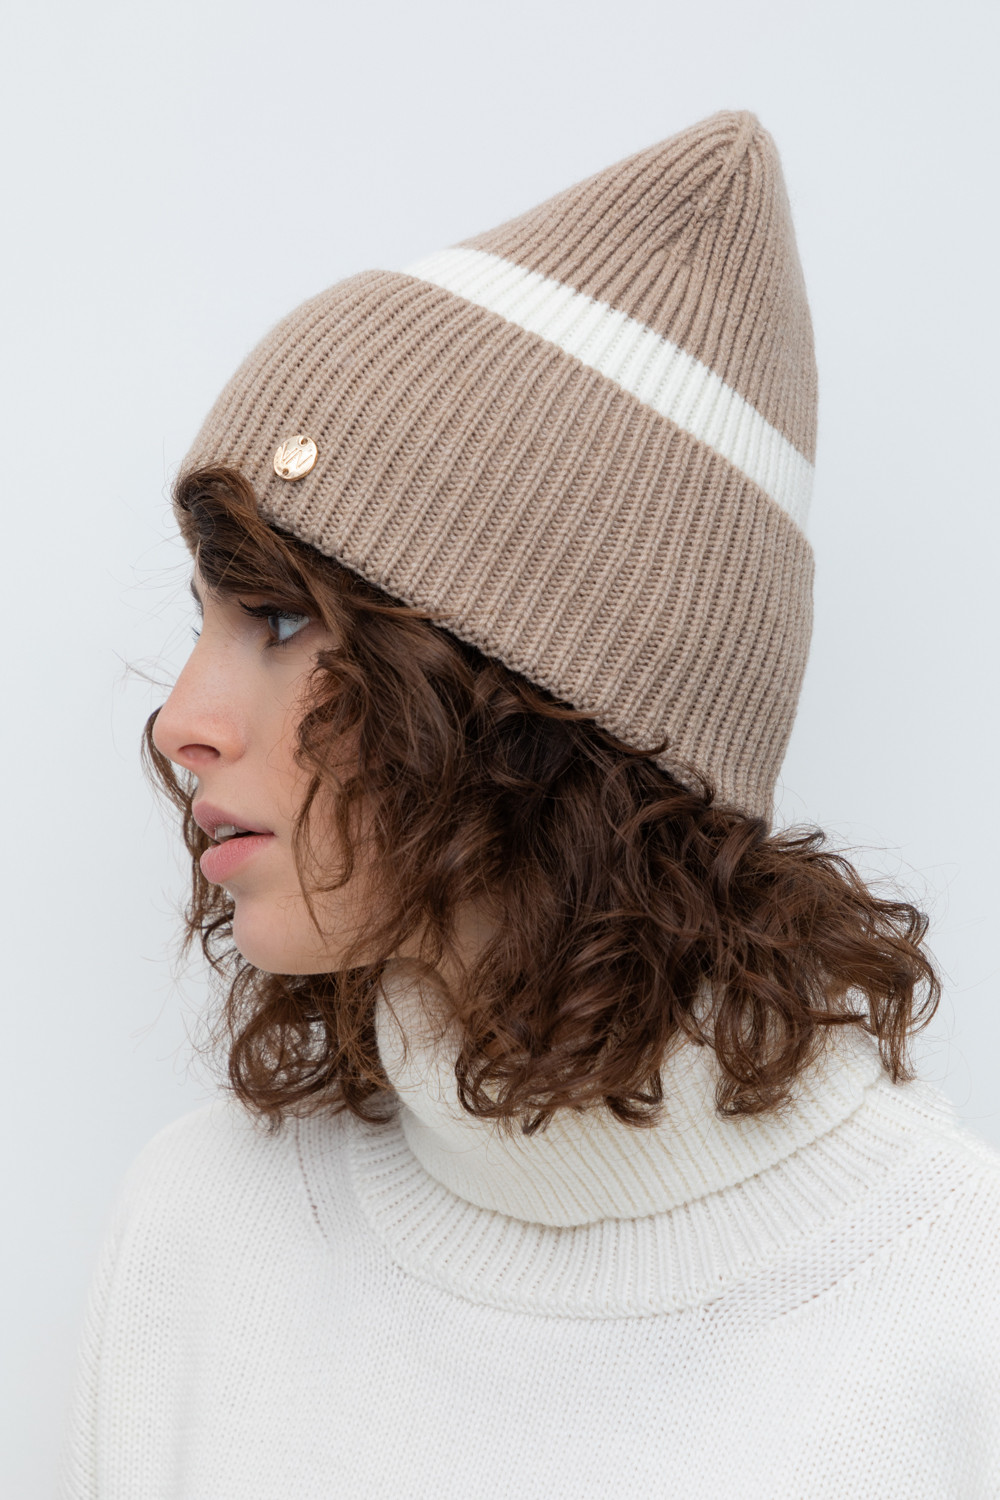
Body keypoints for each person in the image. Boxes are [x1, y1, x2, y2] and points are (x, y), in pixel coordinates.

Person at [58, 110, 1000, 1498]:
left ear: (526, 704)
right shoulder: (199, 1236)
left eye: (278, 620)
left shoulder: (953, 1320)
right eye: (206, 617)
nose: (179, 721)